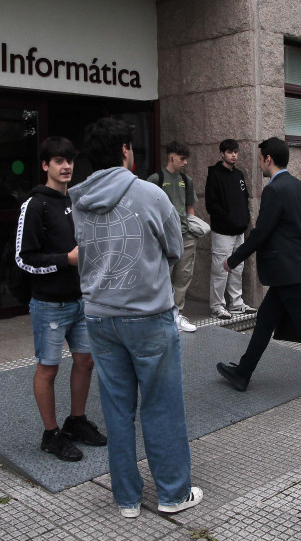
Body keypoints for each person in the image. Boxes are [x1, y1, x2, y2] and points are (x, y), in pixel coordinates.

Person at [69, 118, 202, 518]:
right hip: (148, 316)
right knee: (161, 406)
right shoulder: (151, 194)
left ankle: (126, 499)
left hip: (99, 318)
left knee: (116, 409)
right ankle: (172, 494)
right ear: (126, 150)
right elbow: (175, 247)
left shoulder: (78, 198)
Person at [215, 137, 301, 413]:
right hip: (294, 270)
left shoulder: (274, 190)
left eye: (259, 159)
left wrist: (234, 258)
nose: (259, 164)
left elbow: (262, 231)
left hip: (290, 274)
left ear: (268, 159)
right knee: (265, 321)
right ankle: (242, 373)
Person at [15, 136, 107, 463]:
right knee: (48, 369)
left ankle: (76, 421)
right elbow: (24, 259)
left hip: (81, 300)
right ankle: (51, 434)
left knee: (86, 360)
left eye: (69, 160)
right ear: (45, 166)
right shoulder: (35, 205)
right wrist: (65, 260)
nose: (66, 166)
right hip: (49, 304)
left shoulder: (77, 200)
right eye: (58, 161)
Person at [148, 142, 199, 332]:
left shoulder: (187, 180)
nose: (185, 163)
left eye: (186, 159)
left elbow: (190, 206)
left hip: (185, 235)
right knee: (162, 277)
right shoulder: (156, 179)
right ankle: (160, 315)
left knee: (183, 276)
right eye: (182, 159)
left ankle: (177, 315)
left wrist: (192, 228)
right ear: (171, 157)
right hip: (163, 238)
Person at [206, 138, 256, 319]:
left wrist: (244, 220)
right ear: (222, 154)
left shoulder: (239, 175)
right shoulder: (214, 175)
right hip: (222, 232)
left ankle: (236, 304)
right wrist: (230, 220)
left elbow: (244, 200)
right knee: (220, 270)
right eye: (229, 152)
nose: (234, 155)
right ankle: (217, 306)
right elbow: (212, 205)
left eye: (235, 152)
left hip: (239, 231)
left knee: (238, 268)